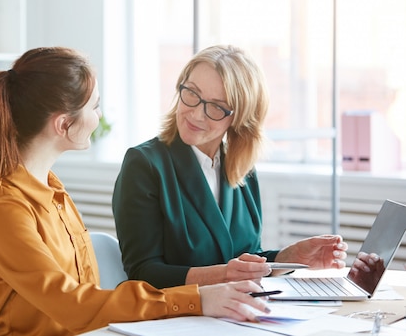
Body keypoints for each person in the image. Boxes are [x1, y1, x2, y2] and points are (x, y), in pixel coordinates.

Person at [0, 46, 273, 336]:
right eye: (95, 106)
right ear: (63, 125)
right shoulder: (3, 208)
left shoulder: (52, 192)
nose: (99, 116)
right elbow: (75, 304)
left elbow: (83, 302)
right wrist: (196, 299)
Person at [112, 45, 349, 290]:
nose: (196, 114)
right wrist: (223, 276)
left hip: (234, 313)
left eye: (216, 106)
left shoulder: (241, 169)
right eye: (191, 93)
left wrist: (286, 259)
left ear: (239, 117)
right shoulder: (144, 165)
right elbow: (144, 274)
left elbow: (243, 258)